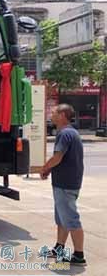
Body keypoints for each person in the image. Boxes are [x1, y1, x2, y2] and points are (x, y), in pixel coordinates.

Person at [40, 104, 86, 266]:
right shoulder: (69, 133)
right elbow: (63, 159)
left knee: (71, 219)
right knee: (62, 218)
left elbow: (57, 157)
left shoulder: (65, 134)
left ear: (63, 115)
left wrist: (45, 168)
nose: (51, 114)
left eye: (54, 112)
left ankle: (79, 255)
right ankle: (59, 248)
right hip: (65, 181)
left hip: (66, 184)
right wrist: (50, 171)